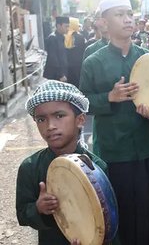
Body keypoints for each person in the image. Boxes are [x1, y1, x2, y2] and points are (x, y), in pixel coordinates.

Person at [80, 0, 149, 245]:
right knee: (122, 211)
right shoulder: (93, 62)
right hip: (114, 150)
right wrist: (109, 97)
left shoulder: (148, 59)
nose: (127, 19)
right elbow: (82, 103)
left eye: (129, 13)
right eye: (119, 14)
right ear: (104, 22)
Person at [16, 80, 107, 245]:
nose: (50, 126)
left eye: (59, 116)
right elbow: (22, 214)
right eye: (41, 119)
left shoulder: (96, 166)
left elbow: (108, 218)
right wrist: (38, 208)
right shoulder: (29, 167)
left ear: (80, 120)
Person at [43, 16, 69, 82]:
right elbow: (53, 59)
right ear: (58, 26)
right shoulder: (52, 38)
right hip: (55, 75)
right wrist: (60, 75)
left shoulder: (62, 37)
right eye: (66, 26)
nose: (68, 29)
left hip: (62, 73)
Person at [65, 17, 86, 88]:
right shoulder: (80, 37)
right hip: (78, 65)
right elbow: (83, 50)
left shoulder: (64, 36)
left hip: (66, 66)